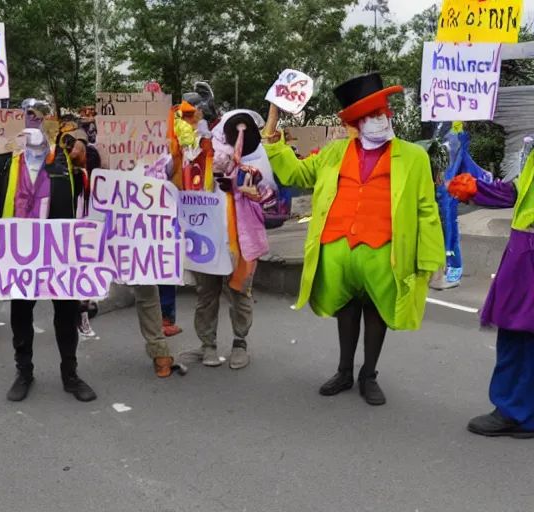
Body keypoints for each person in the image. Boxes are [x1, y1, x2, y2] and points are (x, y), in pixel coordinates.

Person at [264, 72, 445, 405]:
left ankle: (368, 374)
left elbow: (426, 210)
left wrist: (432, 259)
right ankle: (344, 371)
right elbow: (296, 174)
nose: (378, 119)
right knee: (346, 311)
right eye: (369, 115)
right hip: (338, 249)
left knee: (377, 311)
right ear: (356, 122)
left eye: (381, 112)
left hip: (384, 251)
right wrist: (273, 136)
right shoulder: (334, 153)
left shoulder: (413, 157)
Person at [0, 126, 96, 402]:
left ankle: (70, 373)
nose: (32, 151)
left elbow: (89, 203)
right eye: (26, 145)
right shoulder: (2, 168)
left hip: (60, 255)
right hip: (21, 257)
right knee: (21, 313)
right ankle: (24, 372)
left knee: (67, 314)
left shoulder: (67, 169)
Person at [177, 109, 271, 370]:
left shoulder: (257, 157)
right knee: (206, 293)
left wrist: (242, 185)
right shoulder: (201, 154)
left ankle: (240, 343)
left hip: (242, 242)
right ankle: (207, 345)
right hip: (207, 240)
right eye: (233, 129)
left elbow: (266, 195)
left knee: (240, 294)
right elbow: (185, 184)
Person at [449, 154, 534, 438]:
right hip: (524, 249)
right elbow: (519, 191)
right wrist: (477, 189)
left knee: (519, 334)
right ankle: (522, 413)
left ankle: (514, 412)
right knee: (518, 332)